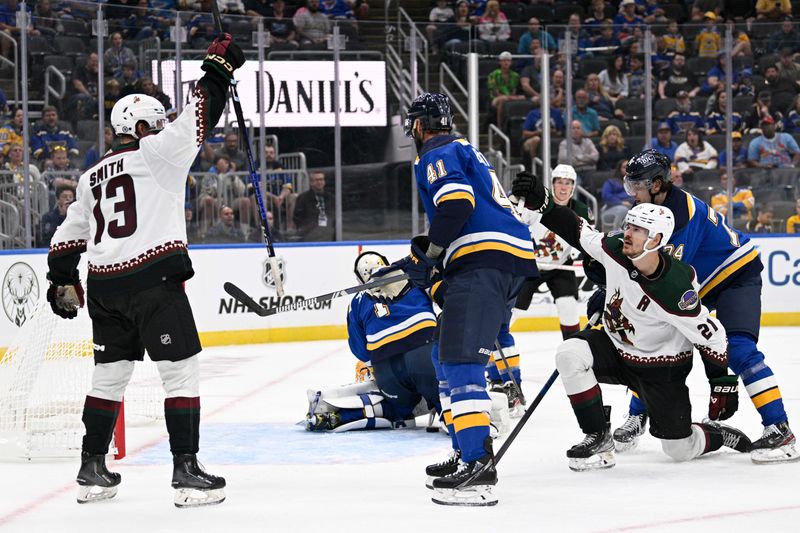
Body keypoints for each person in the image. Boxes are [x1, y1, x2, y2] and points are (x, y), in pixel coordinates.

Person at [45, 33, 244, 506]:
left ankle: (91, 469)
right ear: (139, 126)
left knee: (108, 378)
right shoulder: (156, 153)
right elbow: (200, 115)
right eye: (155, 122)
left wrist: (61, 279)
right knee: (180, 373)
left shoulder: (90, 175)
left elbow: (64, 241)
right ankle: (185, 471)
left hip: (106, 291)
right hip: (154, 281)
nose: (161, 127)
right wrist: (219, 65)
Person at [511, 176, 750, 470]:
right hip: (618, 352)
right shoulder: (615, 249)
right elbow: (579, 232)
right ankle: (597, 436)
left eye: (637, 230)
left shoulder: (677, 287)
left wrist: (722, 383)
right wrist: (544, 203)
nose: (627, 233)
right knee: (570, 353)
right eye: (629, 225)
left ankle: (715, 435)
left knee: (678, 449)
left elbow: (711, 336)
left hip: (662, 369)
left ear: (657, 240)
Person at [372, 93, 537, 506]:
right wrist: (432, 265)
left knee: (461, 363)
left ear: (420, 125)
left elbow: (457, 204)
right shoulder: (466, 149)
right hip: (502, 262)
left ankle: (479, 467)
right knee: (446, 356)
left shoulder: (436, 151)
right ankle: (465, 450)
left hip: (485, 261)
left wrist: (427, 255)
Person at [592, 149, 797, 463]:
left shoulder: (682, 215)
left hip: (734, 276)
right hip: (700, 282)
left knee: (739, 349)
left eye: (638, 187)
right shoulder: (652, 210)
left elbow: (660, 276)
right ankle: (637, 415)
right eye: (629, 186)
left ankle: (779, 429)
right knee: (654, 339)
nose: (632, 194)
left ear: (658, 184)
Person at [308, 251, 440, 431]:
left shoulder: (356, 302)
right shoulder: (415, 280)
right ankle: (448, 412)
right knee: (448, 399)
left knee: (398, 410)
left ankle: (350, 414)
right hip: (425, 358)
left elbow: (360, 350)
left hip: (387, 372)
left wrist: (374, 367)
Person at [514, 164, 592, 340]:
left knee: (569, 308)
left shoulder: (581, 211)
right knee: (513, 311)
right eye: (559, 182)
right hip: (530, 266)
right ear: (552, 183)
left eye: (568, 183)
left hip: (560, 266)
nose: (563, 187)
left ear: (573, 186)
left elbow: (589, 241)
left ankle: (573, 349)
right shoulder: (536, 203)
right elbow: (516, 225)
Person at [293, 171, 335, 241]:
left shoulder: (331, 198)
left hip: (329, 232)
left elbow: (335, 215)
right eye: (316, 180)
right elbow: (297, 217)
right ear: (311, 183)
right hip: (310, 234)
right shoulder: (303, 198)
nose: (319, 182)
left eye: (321, 179)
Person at [487, 51, 523, 126]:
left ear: (511, 62)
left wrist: (511, 97)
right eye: (504, 60)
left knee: (523, 98)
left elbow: (514, 91)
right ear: (500, 62)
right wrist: (510, 97)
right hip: (496, 98)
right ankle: (500, 126)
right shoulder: (493, 75)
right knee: (502, 100)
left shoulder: (515, 75)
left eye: (508, 60)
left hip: (510, 97)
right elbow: (495, 92)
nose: (506, 62)